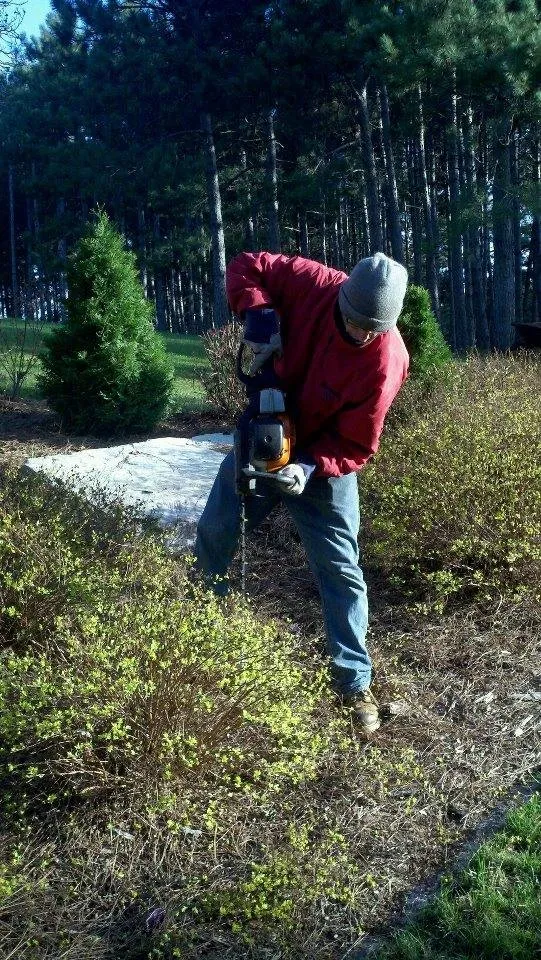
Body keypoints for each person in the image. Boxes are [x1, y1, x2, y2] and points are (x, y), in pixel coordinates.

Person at [194, 251, 409, 734]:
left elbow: (356, 442)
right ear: (341, 297)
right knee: (216, 530)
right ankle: (195, 639)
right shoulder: (312, 282)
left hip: (323, 462)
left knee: (341, 570)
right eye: (354, 322)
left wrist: (310, 466)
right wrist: (258, 312)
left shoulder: (386, 361)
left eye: (372, 329)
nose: (361, 334)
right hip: (266, 431)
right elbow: (247, 264)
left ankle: (354, 682)